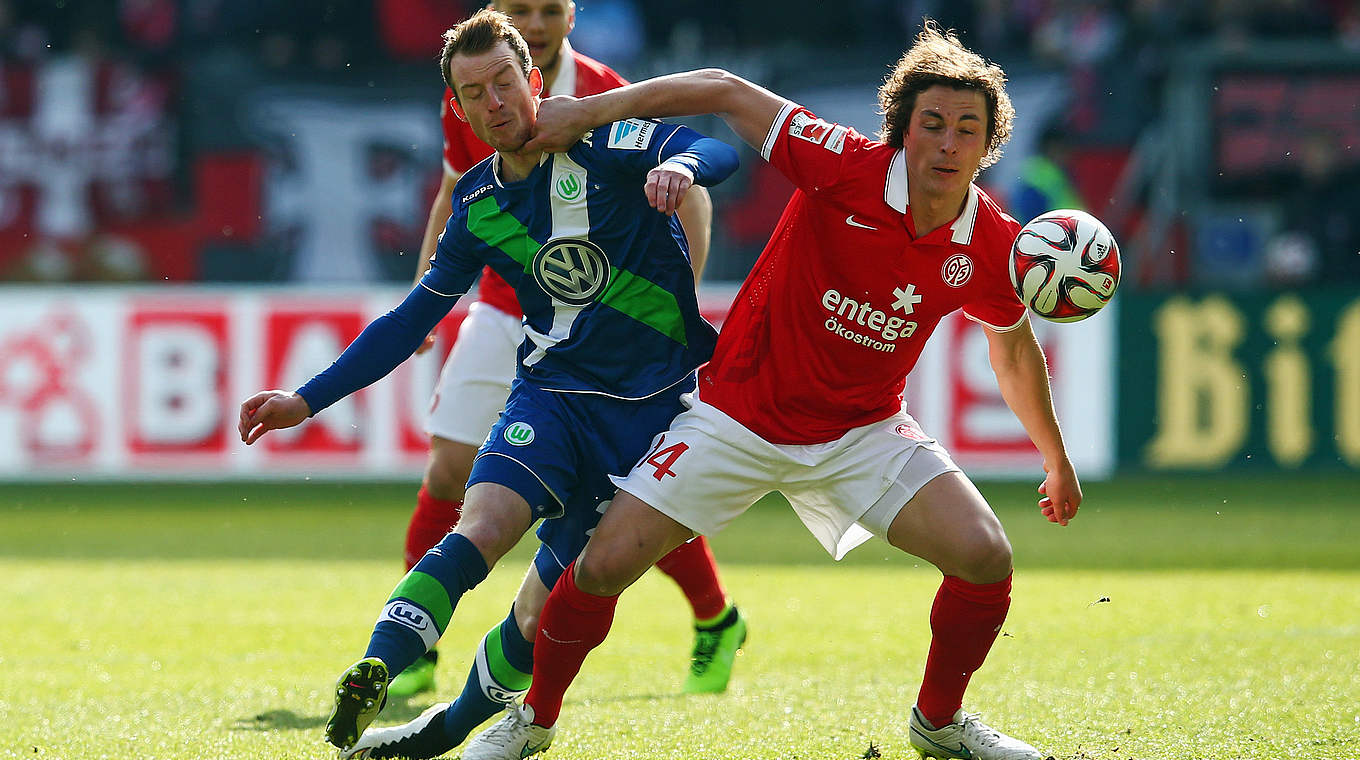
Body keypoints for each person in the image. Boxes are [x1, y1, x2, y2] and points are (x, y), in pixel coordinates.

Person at [464, 21, 1082, 760]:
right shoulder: (843, 164)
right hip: (737, 417)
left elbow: (1012, 348)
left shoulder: (990, 243)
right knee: (599, 567)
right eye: (933, 124)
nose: (948, 143)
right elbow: (722, 89)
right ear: (903, 131)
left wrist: (1054, 456)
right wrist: (590, 111)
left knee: (986, 556)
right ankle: (532, 721)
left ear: (989, 146)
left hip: (864, 432)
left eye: (967, 129)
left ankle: (939, 724)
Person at [236, 9, 740, 758]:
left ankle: (448, 726)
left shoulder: (608, 141)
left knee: (540, 609)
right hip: (552, 395)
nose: (495, 102)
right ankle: (380, 662)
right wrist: (303, 400)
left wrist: (684, 167)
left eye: (504, 82)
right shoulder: (477, 206)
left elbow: (716, 146)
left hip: (653, 416)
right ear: (460, 108)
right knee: (479, 526)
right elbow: (407, 323)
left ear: (532, 79)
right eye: (475, 93)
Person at [394, 0, 744, 701]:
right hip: (503, 301)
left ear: (571, 16)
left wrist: (672, 310)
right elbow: (454, 188)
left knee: (627, 499)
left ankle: (715, 619)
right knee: (449, 470)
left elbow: (694, 192)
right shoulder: (471, 89)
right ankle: (415, 650)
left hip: (606, 320)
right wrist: (425, 283)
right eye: (519, 10)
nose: (535, 22)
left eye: (549, 9)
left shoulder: (605, 91)